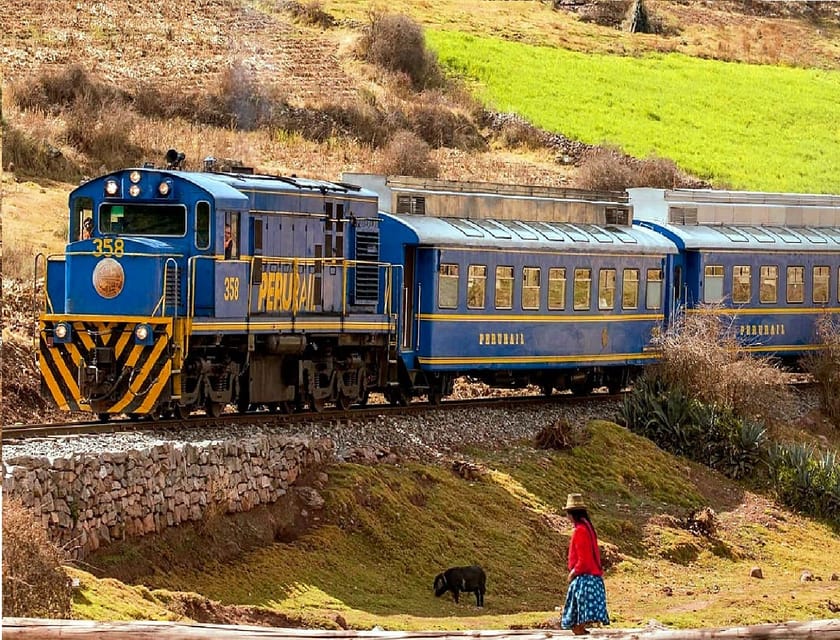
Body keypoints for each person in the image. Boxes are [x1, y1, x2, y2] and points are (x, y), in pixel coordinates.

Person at [561, 493, 610, 636]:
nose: (567, 517)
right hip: (593, 575)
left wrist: (573, 573)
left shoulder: (580, 531)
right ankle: (580, 628)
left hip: (584, 577)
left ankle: (579, 627)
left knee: (577, 606)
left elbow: (583, 560)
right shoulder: (588, 528)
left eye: (567, 514)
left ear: (572, 514)